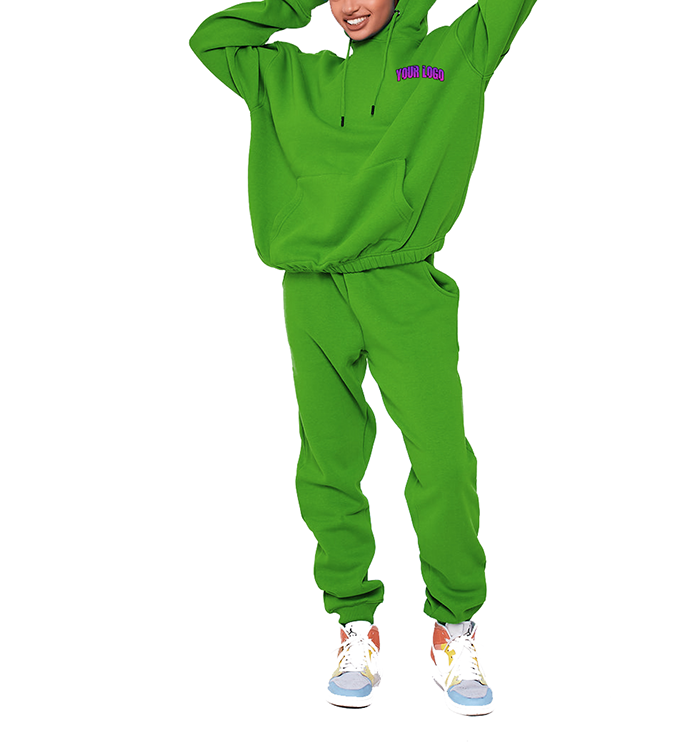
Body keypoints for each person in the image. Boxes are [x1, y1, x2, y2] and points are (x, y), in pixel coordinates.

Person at [189, 0, 538, 716]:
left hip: (404, 283)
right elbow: (212, 39)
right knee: (328, 461)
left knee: (443, 461)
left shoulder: (446, 58)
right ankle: (354, 621)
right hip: (312, 287)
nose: (350, 4)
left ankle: (454, 625)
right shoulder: (295, 76)